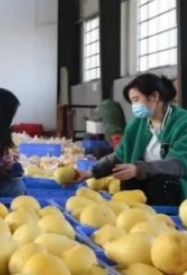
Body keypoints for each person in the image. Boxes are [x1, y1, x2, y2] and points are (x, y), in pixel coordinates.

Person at [79, 74, 187, 206]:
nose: (134, 106)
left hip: (172, 185)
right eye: (132, 102)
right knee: (128, 180)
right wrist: (91, 172)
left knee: (161, 182)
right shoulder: (136, 124)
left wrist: (139, 169)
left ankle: (167, 215)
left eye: (136, 100)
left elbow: (178, 164)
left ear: (154, 96)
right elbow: (120, 155)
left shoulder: (182, 123)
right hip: (146, 181)